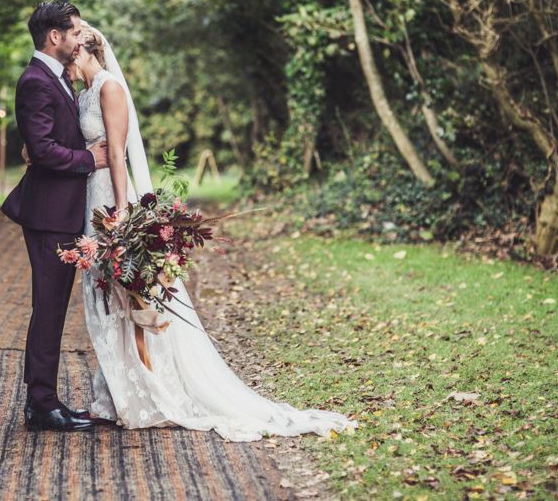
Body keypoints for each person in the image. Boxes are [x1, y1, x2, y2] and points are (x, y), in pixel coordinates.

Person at [73, 22, 353, 441]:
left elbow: (117, 153)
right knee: (104, 298)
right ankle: (115, 393)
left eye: (70, 47)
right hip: (88, 198)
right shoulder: (83, 94)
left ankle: (148, 391)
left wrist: (120, 211)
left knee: (126, 296)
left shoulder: (111, 88)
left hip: (111, 200)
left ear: (83, 49)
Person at [2, 1, 108, 432]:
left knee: (52, 309)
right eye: (76, 31)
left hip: (61, 212)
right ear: (55, 36)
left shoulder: (55, 78)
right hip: (48, 215)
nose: (81, 37)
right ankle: (40, 405)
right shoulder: (35, 81)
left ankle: (46, 399)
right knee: (48, 309)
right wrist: (88, 158)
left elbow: (44, 140)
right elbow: (43, 150)